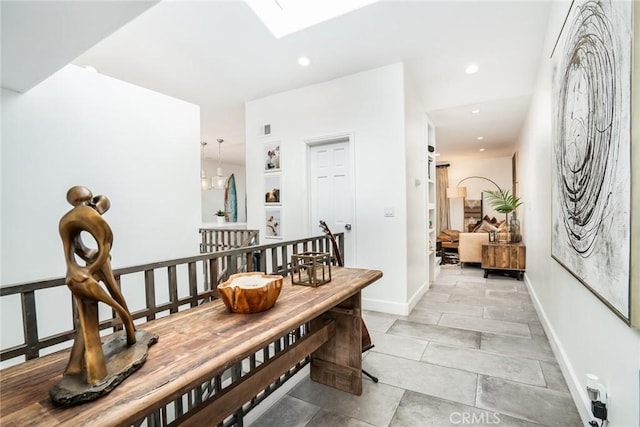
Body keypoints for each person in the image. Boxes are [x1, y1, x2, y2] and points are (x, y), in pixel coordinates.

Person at [59, 186, 137, 385]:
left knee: (87, 321)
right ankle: (98, 371)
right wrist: (92, 269)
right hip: (90, 270)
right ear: (93, 201)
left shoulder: (65, 221)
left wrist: (80, 268)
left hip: (73, 274)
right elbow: (105, 246)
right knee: (114, 296)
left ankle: (75, 366)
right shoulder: (91, 215)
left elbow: (72, 251)